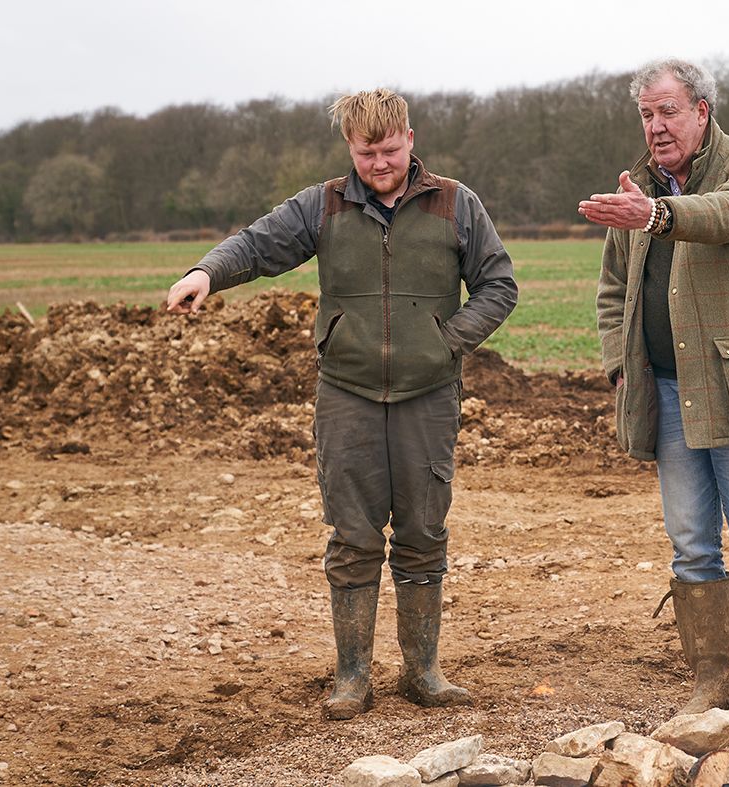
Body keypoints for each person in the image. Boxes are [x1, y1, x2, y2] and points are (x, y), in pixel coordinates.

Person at [166, 89, 517, 719]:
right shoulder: (322, 205)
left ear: (411, 138)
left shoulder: (455, 203)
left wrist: (448, 341)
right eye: (365, 153)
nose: (379, 164)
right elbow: (255, 245)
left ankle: (424, 672)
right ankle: (353, 675)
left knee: (422, 531)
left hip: (428, 394)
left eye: (388, 150)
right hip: (347, 394)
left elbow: (498, 285)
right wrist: (207, 273)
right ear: (349, 148)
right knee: (353, 536)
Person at [580, 58, 729, 713]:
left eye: (668, 111)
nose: (656, 126)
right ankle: (709, 681)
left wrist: (656, 213)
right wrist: (619, 363)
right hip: (663, 390)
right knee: (690, 544)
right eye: (646, 115)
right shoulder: (637, 191)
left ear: (701, 111)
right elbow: (609, 291)